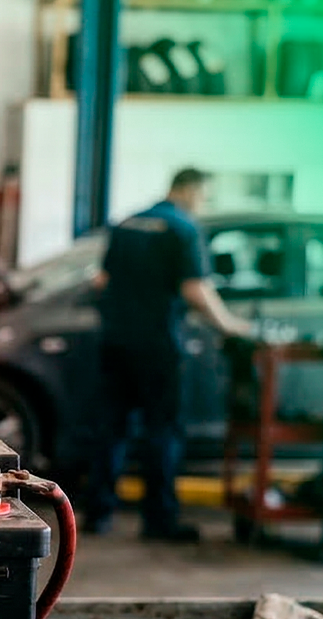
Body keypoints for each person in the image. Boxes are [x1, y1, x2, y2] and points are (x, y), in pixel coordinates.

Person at [85, 168, 256, 543]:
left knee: (111, 428)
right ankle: (159, 519)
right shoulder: (183, 228)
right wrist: (229, 326)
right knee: (162, 430)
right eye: (204, 196)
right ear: (190, 189)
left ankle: (98, 513)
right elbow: (196, 290)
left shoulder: (128, 222)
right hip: (158, 345)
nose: (203, 203)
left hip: (115, 341)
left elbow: (102, 280)